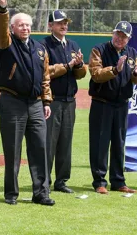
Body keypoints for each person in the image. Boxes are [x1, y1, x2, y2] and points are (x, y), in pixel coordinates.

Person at [0, 0, 54, 206]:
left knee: (40, 148)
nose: (26, 28)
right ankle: (11, 193)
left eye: (28, 25)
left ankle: (41, 193)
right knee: (13, 149)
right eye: (21, 25)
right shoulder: (7, 43)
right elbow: (0, 30)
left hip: (36, 104)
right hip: (12, 102)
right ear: (13, 27)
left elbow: (45, 77)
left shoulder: (40, 49)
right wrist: (3, 8)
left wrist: (46, 101)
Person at [88, 21, 137, 194]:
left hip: (121, 104)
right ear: (113, 33)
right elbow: (96, 74)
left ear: (129, 39)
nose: (120, 38)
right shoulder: (99, 50)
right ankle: (99, 182)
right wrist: (115, 69)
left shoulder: (133, 53)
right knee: (100, 143)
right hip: (102, 103)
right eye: (118, 34)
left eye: (124, 36)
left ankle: (118, 181)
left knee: (119, 143)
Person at [39, 10, 87, 193]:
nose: (64, 25)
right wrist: (68, 66)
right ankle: (44, 181)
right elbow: (46, 72)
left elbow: (80, 75)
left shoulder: (73, 45)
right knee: (49, 142)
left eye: (65, 22)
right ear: (50, 25)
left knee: (65, 142)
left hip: (69, 101)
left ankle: (61, 181)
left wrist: (80, 65)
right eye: (60, 22)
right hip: (53, 100)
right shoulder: (43, 45)